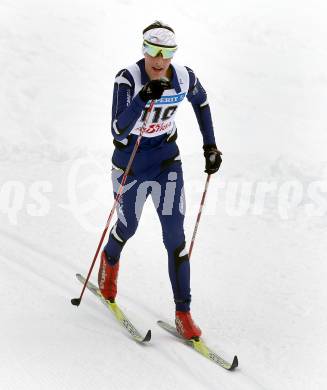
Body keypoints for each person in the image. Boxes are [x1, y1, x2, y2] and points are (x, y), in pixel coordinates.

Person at [98, 21, 222, 340]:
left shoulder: (184, 77)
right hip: (130, 164)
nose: (158, 59)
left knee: (175, 236)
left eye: (166, 52)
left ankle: (184, 313)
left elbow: (202, 102)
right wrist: (142, 98)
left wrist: (210, 146)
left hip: (166, 161)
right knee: (129, 227)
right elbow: (117, 129)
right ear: (143, 49)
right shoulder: (127, 78)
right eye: (152, 50)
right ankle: (109, 261)